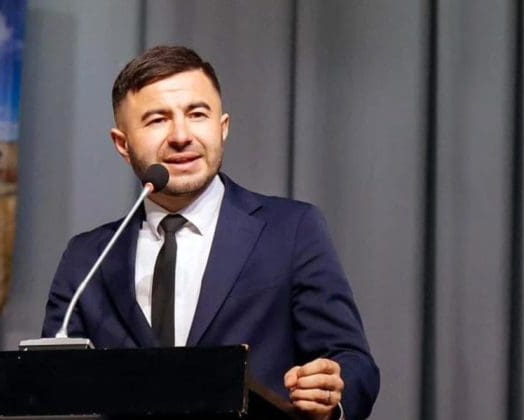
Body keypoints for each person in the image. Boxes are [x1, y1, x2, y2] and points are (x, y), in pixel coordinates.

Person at [42, 45, 379, 420]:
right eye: (157, 120)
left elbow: (353, 362)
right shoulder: (87, 258)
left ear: (223, 127)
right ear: (123, 144)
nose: (181, 135)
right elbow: (48, 386)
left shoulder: (292, 230)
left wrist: (332, 393)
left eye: (197, 114)